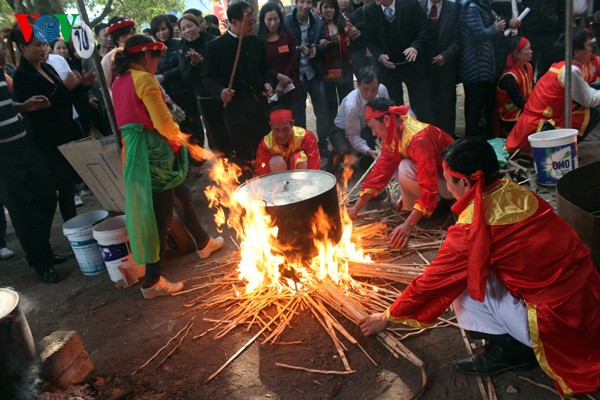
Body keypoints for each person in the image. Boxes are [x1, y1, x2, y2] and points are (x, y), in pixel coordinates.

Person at [359, 137, 600, 398]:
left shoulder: (472, 227)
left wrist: (386, 316)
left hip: (558, 322)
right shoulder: (514, 191)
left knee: (461, 288)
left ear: (465, 182)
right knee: (477, 269)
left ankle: (511, 351)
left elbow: (433, 282)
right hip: (590, 299)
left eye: (448, 177)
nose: (447, 185)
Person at [112, 34, 223, 299]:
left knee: (181, 194)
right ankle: (152, 281)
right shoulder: (145, 80)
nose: (158, 64)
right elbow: (163, 123)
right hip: (151, 153)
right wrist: (184, 142)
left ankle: (203, 242)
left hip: (135, 149)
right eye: (157, 57)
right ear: (147, 56)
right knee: (160, 218)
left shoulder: (119, 81)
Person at [10, 27, 95, 223]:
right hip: (46, 140)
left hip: (65, 133)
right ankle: (72, 228)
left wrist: (83, 86)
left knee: (69, 186)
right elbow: (46, 107)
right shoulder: (22, 76)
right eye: (37, 45)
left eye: (45, 44)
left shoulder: (47, 67)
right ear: (23, 47)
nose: (43, 49)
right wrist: (66, 88)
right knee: (63, 187)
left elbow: (65, 99)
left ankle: (74, 226)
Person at [348, 98, 454, 247]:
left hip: (451, 184)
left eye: (373, 127)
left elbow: (428, 184)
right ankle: (419, 211)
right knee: (399, 167)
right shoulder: (394, 131)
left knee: (404, 168)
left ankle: (435, 206)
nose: (373, 134)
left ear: (386, 119)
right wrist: (355, 209)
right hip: (438, 177)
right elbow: (380, 173)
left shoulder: (418, 139)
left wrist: (408, 226)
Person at [0, 62, 62, 283]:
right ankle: (41, 261)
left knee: (47, 194)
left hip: (23, 142)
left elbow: (5, 106)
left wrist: (23, 106)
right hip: (3, 154)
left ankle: (40, 249)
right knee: (21, 209)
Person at [201, 1, 274, 164]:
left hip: (258, 108)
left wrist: (268, 83)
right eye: (250, 22)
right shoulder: (215, 47)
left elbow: (266, 70)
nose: (253, 25)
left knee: (265, 150)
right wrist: (220, 91)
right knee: (242, 156)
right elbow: (206, 77)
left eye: (255, 21)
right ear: (234, 22)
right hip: (235, 111)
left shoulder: (257, 43)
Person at [507, 28, 600, 153]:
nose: (591, 49)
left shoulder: (561, 65)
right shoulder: (571, 70)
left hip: (536, 120)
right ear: (576, 51)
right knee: (593, 111)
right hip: (539, 127)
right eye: (588, 45)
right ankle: (562, 150)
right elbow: (589, 100)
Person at [362, 0, 434, 124]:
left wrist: (415, 47)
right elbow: (370, 40)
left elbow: (424, 29)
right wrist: (380, 56)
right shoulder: (369, 10)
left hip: (413, 63)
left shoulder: (410, 4)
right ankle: (398, 139)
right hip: (389, 67)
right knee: (393, 107)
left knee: (423, 106)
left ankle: (425, 137)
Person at [284, 0, 332, 156]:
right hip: (295, 76)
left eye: (309, 2)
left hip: (314, 73)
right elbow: (280, 47)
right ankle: (303, 147)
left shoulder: (317, 22)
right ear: (296, 3)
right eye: (302, 2)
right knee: (298, 115)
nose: (305, 6)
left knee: (323, 111)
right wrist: (298, 49)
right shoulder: (285, 21)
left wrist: (316, 48)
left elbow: (324, 44)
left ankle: (322, 144)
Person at [177, 14, 229, 154]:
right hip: (204, 96)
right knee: (214, 134)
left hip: (222, 92)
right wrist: (194, 64)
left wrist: (203, 61)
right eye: (183, 28)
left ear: (198, 26)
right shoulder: (182, 48)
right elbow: (187, 77)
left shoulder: (213, 42)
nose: (187, 30)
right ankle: (223, 165)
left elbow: (222, 69)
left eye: (190, 26)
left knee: (230, 128)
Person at [151, 14, 205, 146]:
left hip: (187, 91)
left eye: (164, 28)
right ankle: (184, 159)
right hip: (169, 95)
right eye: (157, 31)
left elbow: (184, 67)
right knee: (177, 130)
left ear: (170, 28)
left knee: (194, 124)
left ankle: (199, 158)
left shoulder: (180, 44)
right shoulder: (153, 51)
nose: (161, 33)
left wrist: (165, 75)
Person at [459, 0, 506, 137]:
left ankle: (484, 135)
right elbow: (479, 33)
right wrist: (495, 27)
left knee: (484, 103)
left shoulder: (483, 7)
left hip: (484, 63)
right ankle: (472, 137)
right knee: (474, 105)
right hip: (474, 64)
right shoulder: (471, 8)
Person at [329, 67, 388, 171]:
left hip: (366, 128)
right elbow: (352, 135)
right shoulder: (351, 104)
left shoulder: (382, 90)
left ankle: (357, 162)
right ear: (358, 85)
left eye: (374, 89)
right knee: (343, 150)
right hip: (341, 130)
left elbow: (387, 114)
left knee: (369, 161)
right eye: (365, 89)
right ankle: (330, 165)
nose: (370, 94)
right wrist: (368, 150)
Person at [419, 0, 460, 137]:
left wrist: (446, 55)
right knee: (426, 108)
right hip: (423, 68)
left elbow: (458, 38)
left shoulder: (454, 8)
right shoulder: (419, 5)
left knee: (446, 108)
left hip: (446, 67)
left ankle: (448, 141)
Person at [257, 2, 302, 116]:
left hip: (291, 85)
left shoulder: (289, 35)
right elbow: (263, 65)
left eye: (276, 19)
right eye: (269, 20)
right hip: (271, 89)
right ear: (263, 20)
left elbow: (293, 59)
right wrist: (278, 76)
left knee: (297, 124)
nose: (273, 23)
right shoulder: (259, 41)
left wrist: (283, 81)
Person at [255, 108, 320, 175]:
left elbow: (314, 167)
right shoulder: (266, 145)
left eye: (286, 129)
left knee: (301, 158)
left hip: (300, 175)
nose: (282, 136)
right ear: (270, 126)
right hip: (278, 177)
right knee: (276, 161)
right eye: (276, 130)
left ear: (292, 124)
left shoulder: (306, 137)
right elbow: (261, 173)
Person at [320, 0, 355, 124]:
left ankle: (348, 129)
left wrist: (350, 38)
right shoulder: (318, 26)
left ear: (336, 9)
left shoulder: (344, 23)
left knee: (347, 102)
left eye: (331, 7)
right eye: (326, 7)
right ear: (321, 9)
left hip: (345, 69)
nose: (328, 10)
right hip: (326, 71)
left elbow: (354, 37)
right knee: (331, 105)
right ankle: (334, 133)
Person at [494, 36, 533, 137]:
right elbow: (519, 101)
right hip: (510, 116)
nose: (531, 51)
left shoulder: (528, 67)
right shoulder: (509, 77)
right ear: (516, 54)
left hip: (524, 110)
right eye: (527, 49)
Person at [101, 17, 136, 89]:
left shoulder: (141, 51)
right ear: (117, 40)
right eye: (125, 36)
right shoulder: (108, 59)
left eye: (132, 33)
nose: (131, 37)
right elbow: (107, 88)